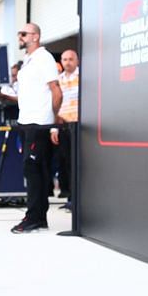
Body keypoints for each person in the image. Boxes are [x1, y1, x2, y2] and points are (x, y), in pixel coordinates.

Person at [9, 23, 61, 233]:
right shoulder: (28, 61)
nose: (20, 36)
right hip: (26, 121)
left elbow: (56, 91)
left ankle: (34, 217)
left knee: (34, 170)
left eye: (24, 33)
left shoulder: (44, 58)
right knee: (32, 170)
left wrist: (53, 121)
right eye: (19, 33)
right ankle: (39, 217)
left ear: (36, 37)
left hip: (39, 123)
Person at [55, 46, 80, 204]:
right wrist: (54, 127)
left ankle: (78, 197)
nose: (68, 62)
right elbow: (55, 104)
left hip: (79, 125)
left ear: (77, 61)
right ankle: (70, 196)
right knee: (65, 162)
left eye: (71, 59)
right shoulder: (58, 80)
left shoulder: (83, 77)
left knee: (77, 161)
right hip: (63, 125)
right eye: (65, 59)